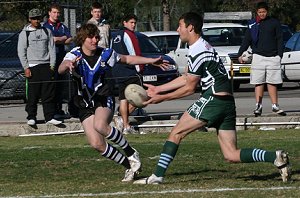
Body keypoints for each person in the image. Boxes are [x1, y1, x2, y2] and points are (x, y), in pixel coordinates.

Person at [133, 12, 291, 185]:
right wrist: (159, 88)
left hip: (213, 100)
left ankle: (157, 176)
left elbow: (189, 87)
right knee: (231, 154)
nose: (178, 30)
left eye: (180, 26)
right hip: (227, 102)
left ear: (190, 27)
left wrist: (160, 98)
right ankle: (275, 157)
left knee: (176, 133)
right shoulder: (202, 46)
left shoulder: (198, 50)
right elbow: (187, 77)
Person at [58, 23, 169, 181]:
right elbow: (61, 68)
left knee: (100, 125)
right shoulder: (74, 54)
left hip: (103, 97)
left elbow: (127, 59)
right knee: (97, 144)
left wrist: (150, 61)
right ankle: (130, 166)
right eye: (91, 37)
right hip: (83, 102)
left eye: (96, 36)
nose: (95, 39)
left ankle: (131, 152)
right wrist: (68, 65)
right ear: (82, 39)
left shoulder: (106, 54)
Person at [237, 1, 286, 117]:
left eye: (264, 12)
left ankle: (275, 105)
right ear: (256, 12)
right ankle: (258, 106)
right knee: (258, 82)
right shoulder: (252, 24)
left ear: (267, 12)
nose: (262, 14)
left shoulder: (274, 23)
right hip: (258, 57)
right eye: (260, 12)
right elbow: (246, 40)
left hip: (273, 57)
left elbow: (280, 39)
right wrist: (240, 54)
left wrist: (280, 55)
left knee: (272, 82)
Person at [17, 8, 62, 126]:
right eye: (34, 18)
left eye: (38, 18)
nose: (37, 21)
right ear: (30, 19)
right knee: (33, 94)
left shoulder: (47, 31)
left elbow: (52, 49)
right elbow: (21, 52)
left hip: (46, 66)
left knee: (48, 94)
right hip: (33, 67)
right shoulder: (24, 33)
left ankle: (49, 117)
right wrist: (26, 67)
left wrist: (52, 66)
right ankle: (31, 117)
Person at [111, 14, 144, 134]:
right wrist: (140, 69)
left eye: (135, 23)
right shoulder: (129, 35)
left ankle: (125, 126)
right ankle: (121, 118)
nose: (133, 25)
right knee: (142, 97)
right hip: (129, 71)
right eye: (131, 22)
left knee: (123, 98)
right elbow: (134, 54)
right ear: (124, 23)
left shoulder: (114, 35)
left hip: (117, 71)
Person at [43, 3, 73, 119]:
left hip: (61, 59)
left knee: (61, 86)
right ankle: (52, 111)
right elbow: (51, 40)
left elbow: (69, 38)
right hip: (51, 60)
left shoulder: (61, 26)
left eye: (58, 13)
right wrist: (61, 39)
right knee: (52, 86)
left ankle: (59, 109)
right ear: (49, 13)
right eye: (54, 12)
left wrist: (58, 39)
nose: (56, 15)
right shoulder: (45, 26)